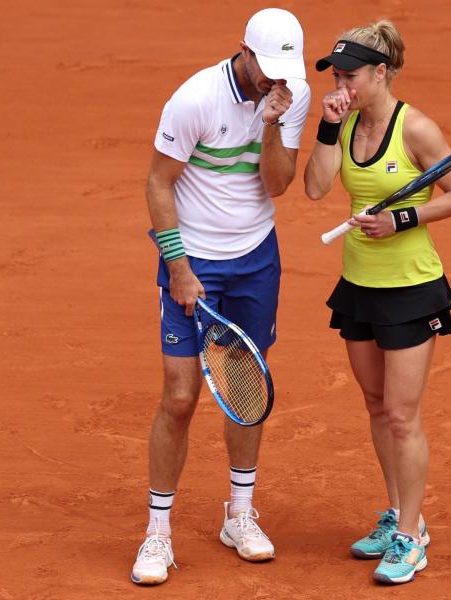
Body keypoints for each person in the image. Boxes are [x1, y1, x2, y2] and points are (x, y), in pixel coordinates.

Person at [131, 8, 310, 585]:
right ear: (244, 51)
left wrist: (277, 123)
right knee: (180, 397)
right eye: (267, 68)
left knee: (243, 386)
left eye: (285, 69)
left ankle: (239, 514)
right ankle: (157, 533)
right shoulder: (194, 99)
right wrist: (178, 267)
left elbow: (277, 185)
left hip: (256, 258)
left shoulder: (290, 95)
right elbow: (159, 183)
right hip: (195, 259)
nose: (274, 79)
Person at [304, 20, 451, 585]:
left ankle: (410, 534)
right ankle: (399, 512)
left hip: (411, 287)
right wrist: (327, 129)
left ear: (381, 72)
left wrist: (401, 217)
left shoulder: (417, 129)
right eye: (337, 76)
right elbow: (315, 188)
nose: (342, 85)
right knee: (377, 407)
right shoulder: (345, 122)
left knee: (402, 416)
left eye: (351, 75)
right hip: (359, 285)